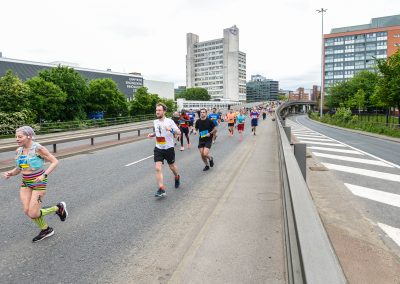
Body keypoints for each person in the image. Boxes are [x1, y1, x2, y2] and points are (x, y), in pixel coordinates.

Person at [2, 126, 68, 243]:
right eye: (16, 137)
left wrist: (44, 175)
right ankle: (46, 229)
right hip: (25, 183)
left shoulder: (38, 149)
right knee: (28, 211)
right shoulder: (19, 150)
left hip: (39, 183)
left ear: (29, 136)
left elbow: (54, 161)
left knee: (34, 213)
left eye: (20, 136)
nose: (17, 139)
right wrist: (11, 173)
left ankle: (58, 208)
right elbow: (19, 168)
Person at [147, 103, 181, 197]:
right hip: (158, 148)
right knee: (157, 168)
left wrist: (171, 130)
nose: (157, 112)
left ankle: (177, 176)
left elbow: (179, 132)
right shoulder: (155, 121)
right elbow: (158, 132)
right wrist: (152, 135)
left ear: (164, 111)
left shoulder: (169, 121)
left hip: (169, 148)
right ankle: (161, 188)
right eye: (156, 110)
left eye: (159, 110)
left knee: (172, 167)